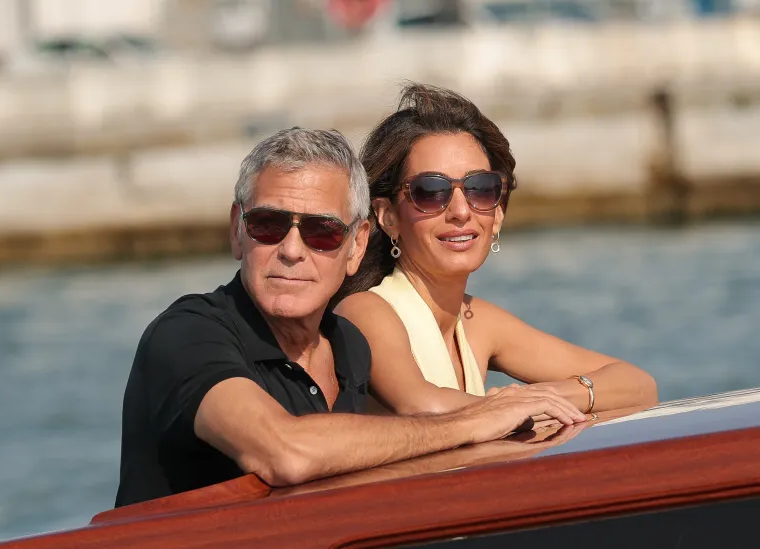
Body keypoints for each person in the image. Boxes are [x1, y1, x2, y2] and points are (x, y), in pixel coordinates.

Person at [115, 127, 588, 507]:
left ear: (357, 246)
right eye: (269, 225)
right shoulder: (187, 333)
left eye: (322, 231)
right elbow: (284, 452)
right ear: (238, 232)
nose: (293, 251)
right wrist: (476, 420)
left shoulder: (348, 347)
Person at [332, 84, 657, 418]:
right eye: (431, 191)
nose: (461, 211)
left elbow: (638, 385)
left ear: (498, 214)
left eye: (481, 189)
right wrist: (519, 406)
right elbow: (421, 404)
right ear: (387, 217)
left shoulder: (477, 320)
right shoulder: (366, 311)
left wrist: (551, 395)